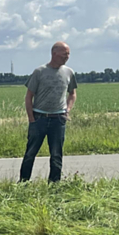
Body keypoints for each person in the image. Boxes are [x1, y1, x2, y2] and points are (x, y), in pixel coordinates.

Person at [19, 41, 77, 183]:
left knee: (56, 154)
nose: (67, 57)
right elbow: (29, 96)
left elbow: (72, 94)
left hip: (58, 119)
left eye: (68, 54)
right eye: (65, 54)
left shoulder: (69, 72)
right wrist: (31, 118)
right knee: (30, 153)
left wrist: (67, 111)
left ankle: (54, 184)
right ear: (54, 53)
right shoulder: (40, 72)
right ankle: (23, 183)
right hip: (39, 118)